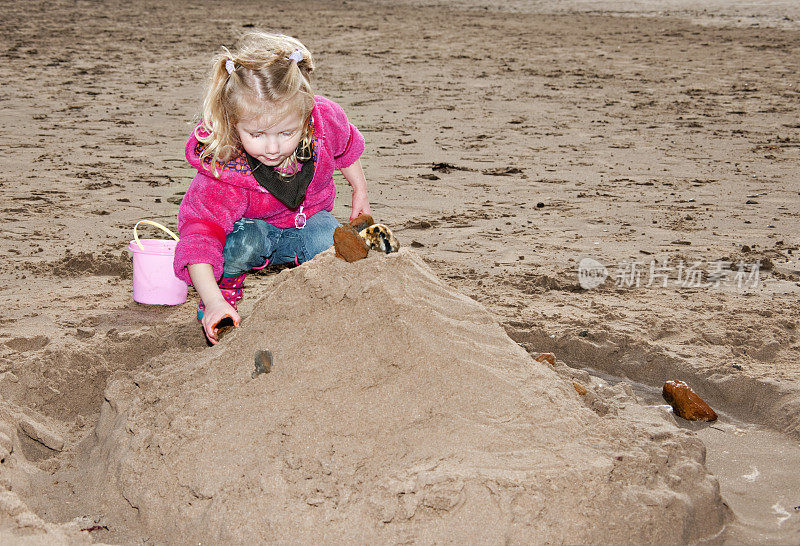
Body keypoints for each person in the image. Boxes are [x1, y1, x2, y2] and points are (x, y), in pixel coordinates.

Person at [173, 31, 371, 344]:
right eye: (257, 134)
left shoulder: (323, 121)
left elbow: (346, 145)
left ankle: (316, 297)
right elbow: (199, 235)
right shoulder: (224, 166)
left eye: (286, 132)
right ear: (233, 123)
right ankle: (225, 289)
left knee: (334, 245)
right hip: (254, 234)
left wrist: (359, 190)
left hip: (308, 224)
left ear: (306, 116)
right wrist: (213, 302)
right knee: (239, 245)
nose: (273, 147)